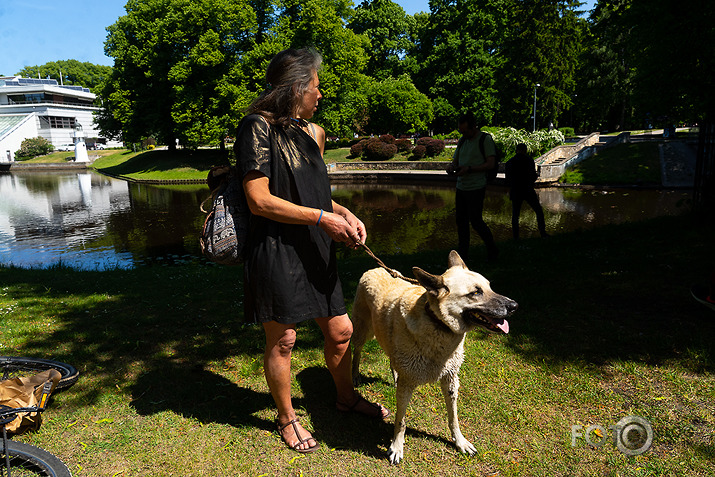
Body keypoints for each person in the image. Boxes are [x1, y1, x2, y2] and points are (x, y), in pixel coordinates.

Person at [234, 48, 389, 454]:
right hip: (275, 249)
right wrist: (323, 219)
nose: (320, 94)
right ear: (298, 87)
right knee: (283, 339)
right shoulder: (256, 128)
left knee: (341, 331)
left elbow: (317, 195)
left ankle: (345, 397)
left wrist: (344, 213)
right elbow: (259, 201)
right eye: (316, 86)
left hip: (316, 246)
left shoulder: (314, 133)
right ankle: (286, 418)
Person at [447, 112, 499, 262]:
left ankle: (492, 250)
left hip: (476, 186)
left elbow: (490, 164)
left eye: (465, 131)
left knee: (476, 221)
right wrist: (452, 167)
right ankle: (463, 256)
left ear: (474, 127)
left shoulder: (485, 139)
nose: (463, 134)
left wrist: (469, 169)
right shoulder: (463, 140)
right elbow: (455, 160)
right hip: (461, 186)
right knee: (461, 221)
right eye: (461, 131)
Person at [504, 143, 548, 240]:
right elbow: (533, 175)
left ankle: (516, 237)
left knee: (515, 215)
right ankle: (543, 233)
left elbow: (507, 179)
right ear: (525, 150)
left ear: (516, 150)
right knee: (538, 211)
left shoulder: (509, 162)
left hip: (515, 190)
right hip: (527, 189)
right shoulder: (529, 160)